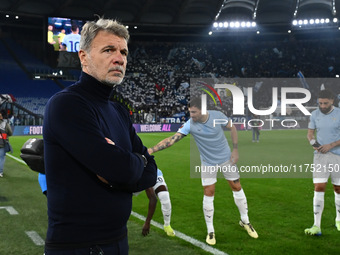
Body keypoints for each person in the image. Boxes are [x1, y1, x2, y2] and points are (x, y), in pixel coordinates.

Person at [43, 18, 157, 255]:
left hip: (118, 241)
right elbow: (121, 169)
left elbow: (150, 173)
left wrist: (128, 165)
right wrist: (136, 161)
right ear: (83, 57)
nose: (120, 58)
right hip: (77, 247)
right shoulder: (67, 104)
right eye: (109, 50)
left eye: (123, 52)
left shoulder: (118, 110)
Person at [148, 98, 258, 245]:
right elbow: (172, 139)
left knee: (237, 187)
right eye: (190, 112)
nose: (191, 115)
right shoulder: (190, 124)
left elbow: (232, 128)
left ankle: (245, 221)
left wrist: (236, 149)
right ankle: (210, 231)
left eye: (194, 112)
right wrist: (151, 150)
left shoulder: (217, 116)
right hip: (208, 162)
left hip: (227, 158)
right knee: (209, 192)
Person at [305, 89, 340, 236]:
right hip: (320, 156)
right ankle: (316, 225)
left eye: (325, 103)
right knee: (319, 187)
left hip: (337, 155)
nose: (323, 106)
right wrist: (314, 144)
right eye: (320, 103)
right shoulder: (315, 114)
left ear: (332, 101)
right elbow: (310, 134)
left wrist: (330, 145)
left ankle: (338, 219)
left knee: (338, 189)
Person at [137, 168, 175, 237]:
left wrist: (147, 222)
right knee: (123, 198)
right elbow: (153, 198)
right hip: (135, 175)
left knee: (164, 196)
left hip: (152, 172)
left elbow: (153, 199)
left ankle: (167, 225)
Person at [0, 109, 13, 178]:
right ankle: (0, 172)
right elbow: (10, 133)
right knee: (1, 158)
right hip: (2, 142)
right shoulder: (5, 124)